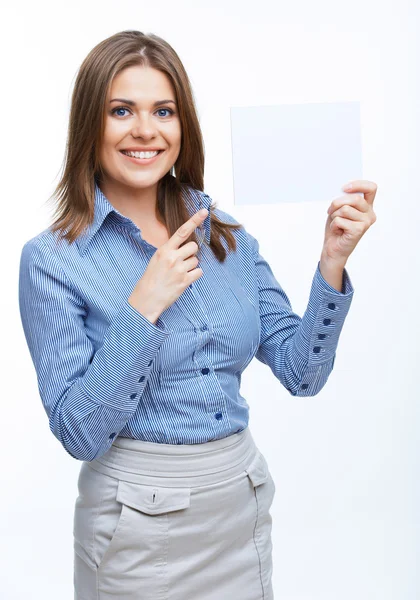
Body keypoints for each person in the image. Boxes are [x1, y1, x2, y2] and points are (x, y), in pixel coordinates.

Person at [18, 29, 377, 600]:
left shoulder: (224, 234)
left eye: (163, 110)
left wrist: (332, 260)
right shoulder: (54, 259)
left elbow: (301, 372)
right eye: (120, 110)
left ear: (183, 125)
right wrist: (144, 306)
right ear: (90, 124)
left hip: (240, 506)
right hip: (137, 525)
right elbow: (79, 433)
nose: (145, 130)